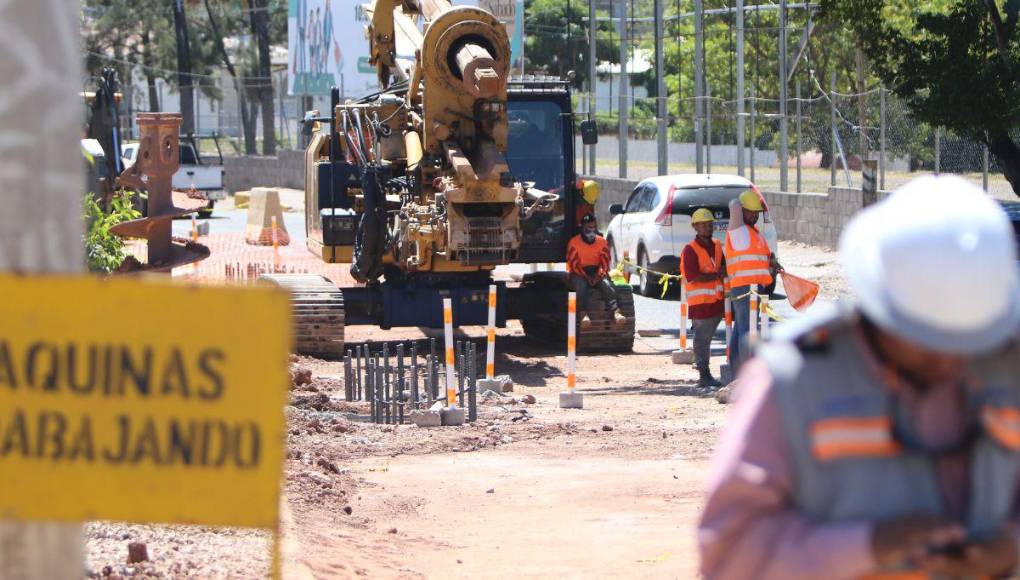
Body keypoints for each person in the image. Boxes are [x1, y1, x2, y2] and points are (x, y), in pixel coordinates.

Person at [698, 175, 1020, 579]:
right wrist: (866, 546)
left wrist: (1009, 550)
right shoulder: (795, 380)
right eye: (926, 338)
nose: (948, 360)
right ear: (879, 309)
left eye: (967, 340)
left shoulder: (1007, 367)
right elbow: (729, 554)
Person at [723, 189, 780, 376]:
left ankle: (736, 372)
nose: (754, 216)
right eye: (750, 212)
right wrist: (740, 202)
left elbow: (758, 259)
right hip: (746, 289)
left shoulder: (755, 234)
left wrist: (771, 263)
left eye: (757, 213)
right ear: (742, 210)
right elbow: (733, 204)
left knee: (741, 330)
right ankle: (744, 375)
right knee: (748, 333)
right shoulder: (738, 231)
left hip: (755, 289)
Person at [681, 208, 726, 388]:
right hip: (700, 303)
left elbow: (723, 266)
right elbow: (693, 276)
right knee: (702, 339)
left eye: (710, 225)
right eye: (703, 225)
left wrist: (718, 273)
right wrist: (716, 275)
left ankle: (704, 372)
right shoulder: (690, 249)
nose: (708, 228)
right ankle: (704, 374)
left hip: (716, 300)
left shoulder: (716, 245)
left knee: (705, 339)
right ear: (695, 227)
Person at [567, 214, 626, 326]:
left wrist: (598, 275)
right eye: (588, 228)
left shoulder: (602, 242)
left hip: (597, 271)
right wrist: (586, 277)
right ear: (582, 228)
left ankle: (616, 312)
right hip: (579, 273)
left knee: (607, 285)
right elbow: (574, 264)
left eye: (594, 227)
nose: (591, 231)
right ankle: (583, 314)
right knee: (581, 286)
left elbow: (605, 262)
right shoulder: (573, 243)